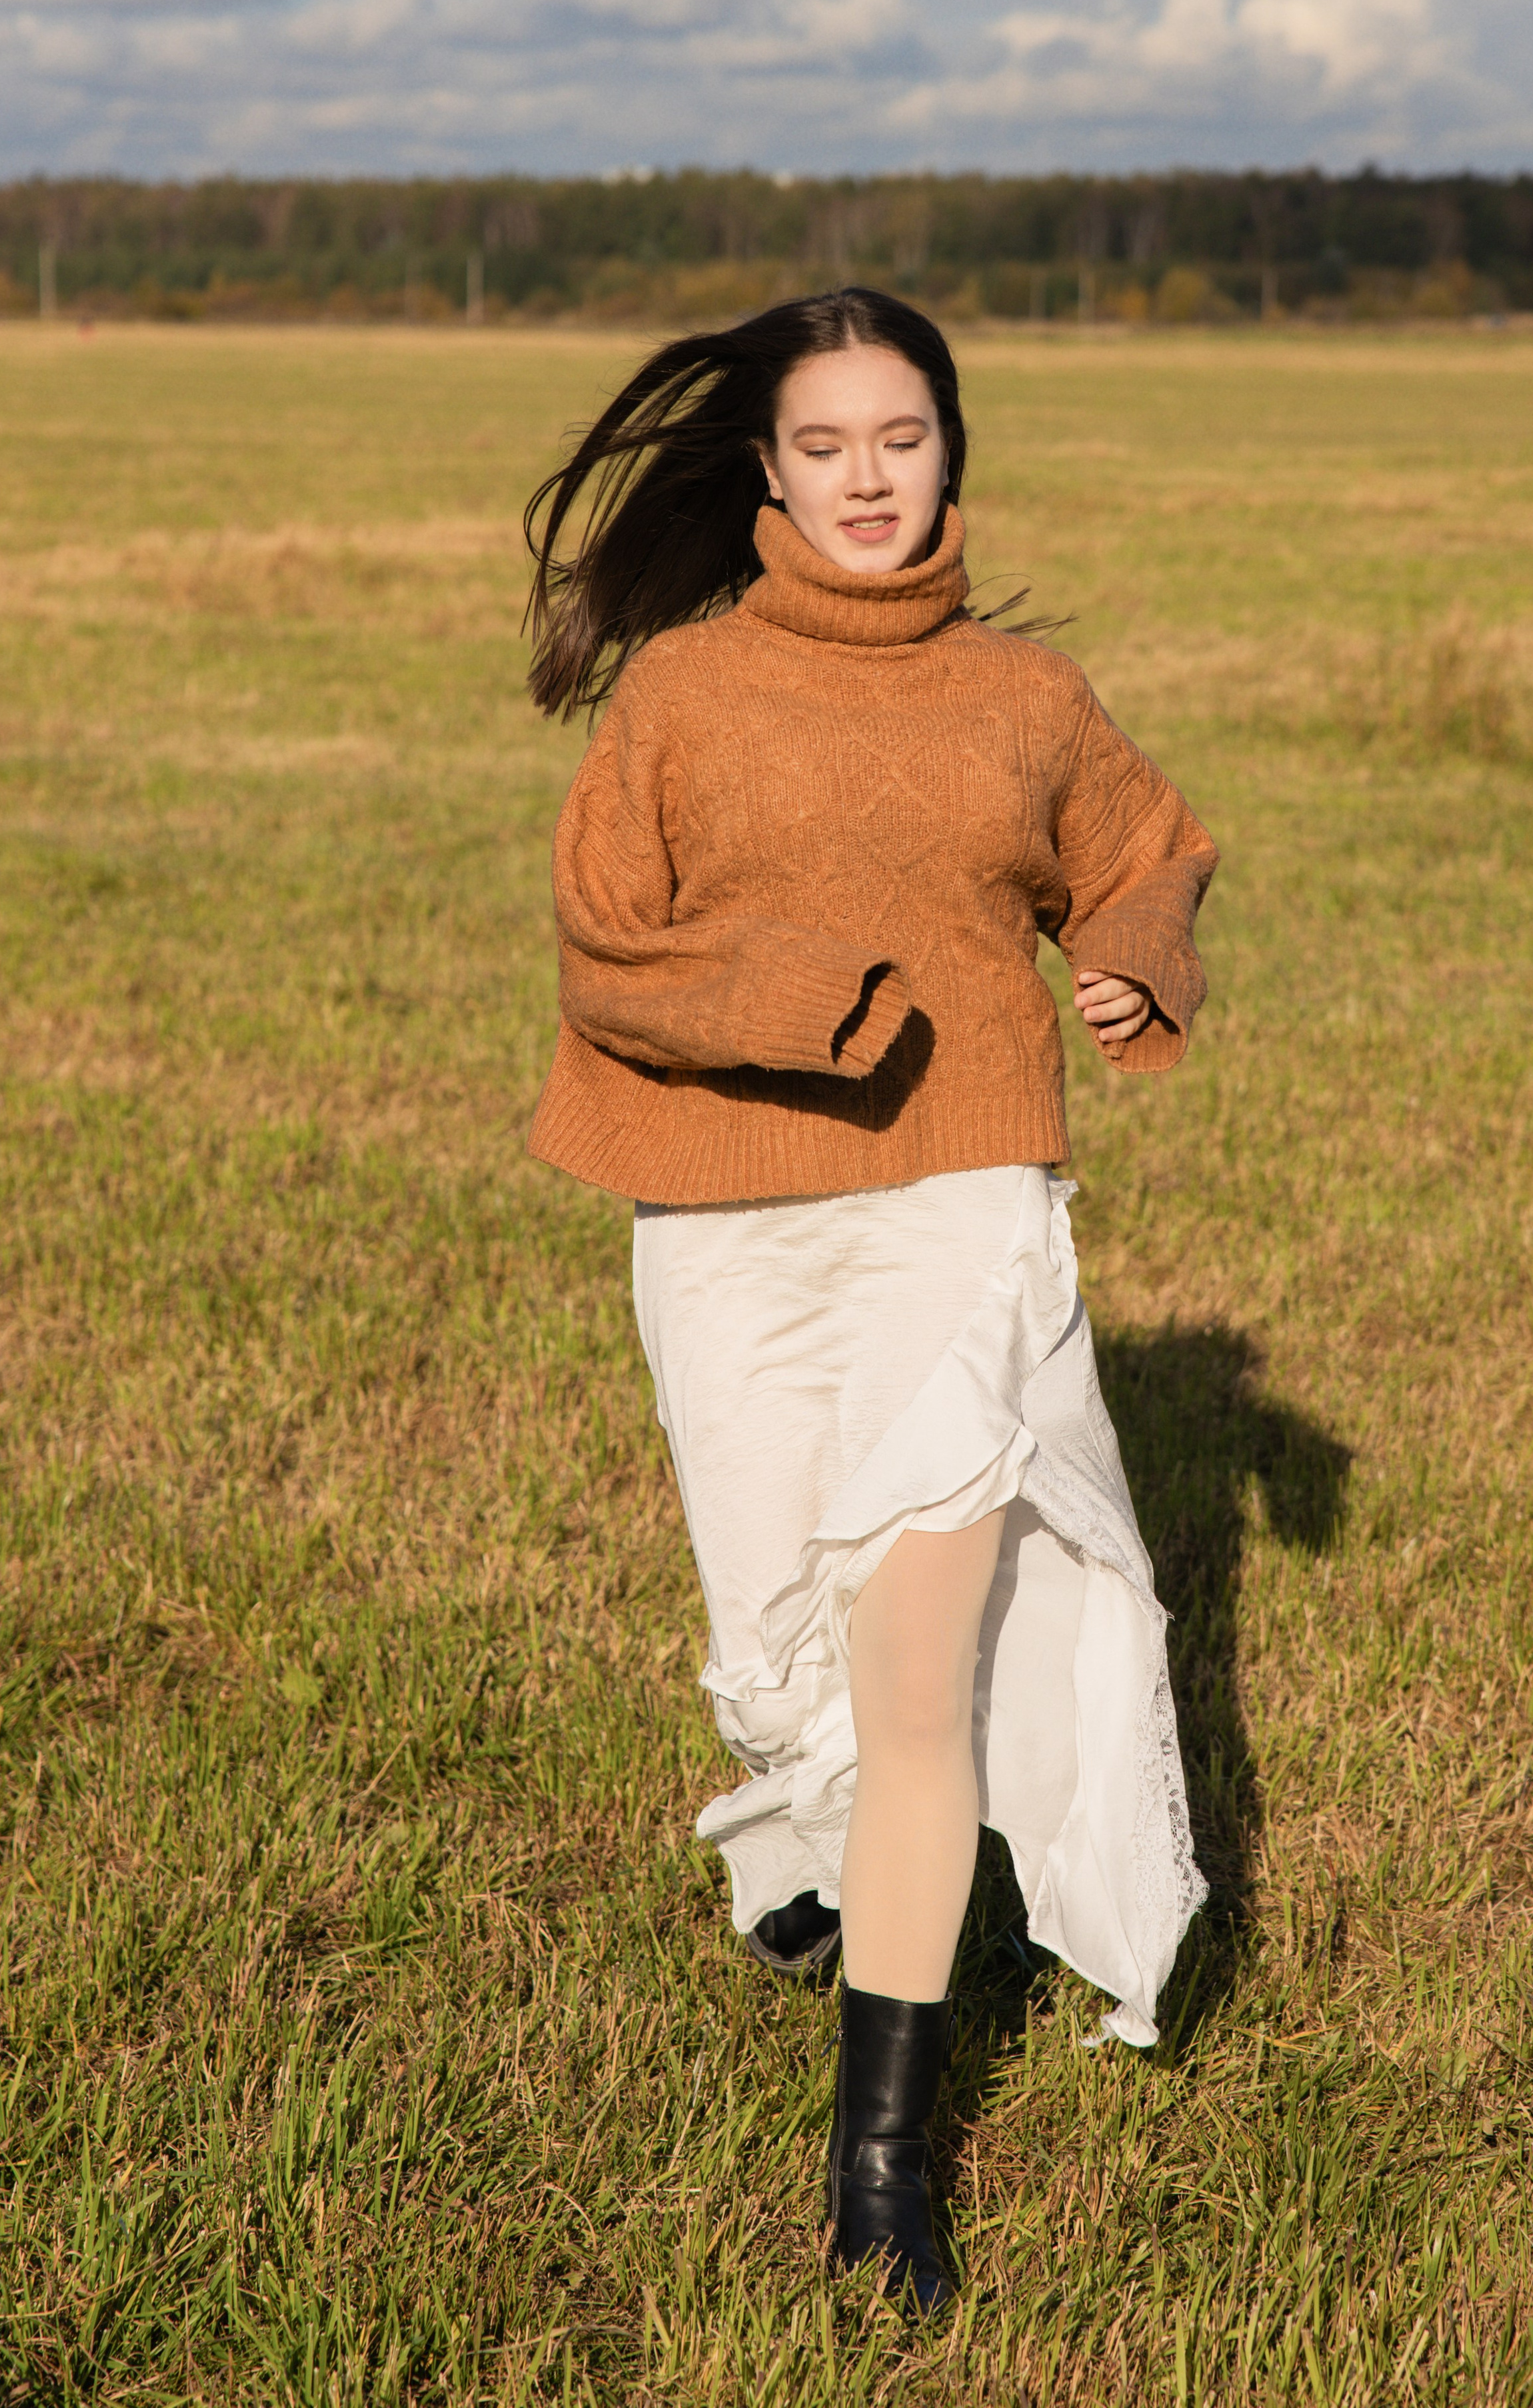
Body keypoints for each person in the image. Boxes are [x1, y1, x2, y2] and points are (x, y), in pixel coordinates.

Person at [524, 287, 1216, 2316]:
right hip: (728, 1218)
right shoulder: (680, 697)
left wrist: (1131, 951)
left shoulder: (1027, 694)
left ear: (951, 452)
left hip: (962, 1208)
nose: (865, 482)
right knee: (783, 1648)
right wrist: (802, 1008)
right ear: (767, 468)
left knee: (917, 1679)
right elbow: (601, 949)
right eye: (825, 446)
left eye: (900, 441)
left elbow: (1145, 848)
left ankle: (883, 2166)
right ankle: (804, 1855)